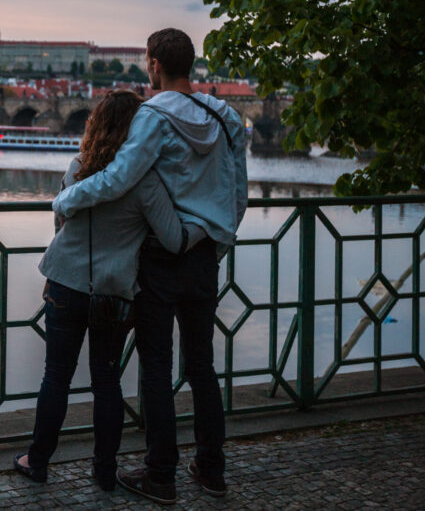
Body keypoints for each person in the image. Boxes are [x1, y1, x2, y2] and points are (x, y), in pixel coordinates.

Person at [52, 28, 248, 505]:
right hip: (203, 257)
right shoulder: (226, 117)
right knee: (202, 367)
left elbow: (120, 178)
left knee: (156, 367)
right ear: (192, 64)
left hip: (160, 255)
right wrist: (215, 243)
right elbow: (238, 195)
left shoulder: (154, 115)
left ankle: (161, 474)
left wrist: (66, 198)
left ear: (154, 64)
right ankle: (213, 469)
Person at [14, 89, 205, 491]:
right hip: (114, 293)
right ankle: (104, 472)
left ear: (96, 124)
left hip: (65, 283)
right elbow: (173, 240)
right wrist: (209, 229)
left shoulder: (80, 166)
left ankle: (38, 460)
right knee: (106, 382)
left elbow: (61, 221)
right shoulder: (146, 182)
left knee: (56, 378)